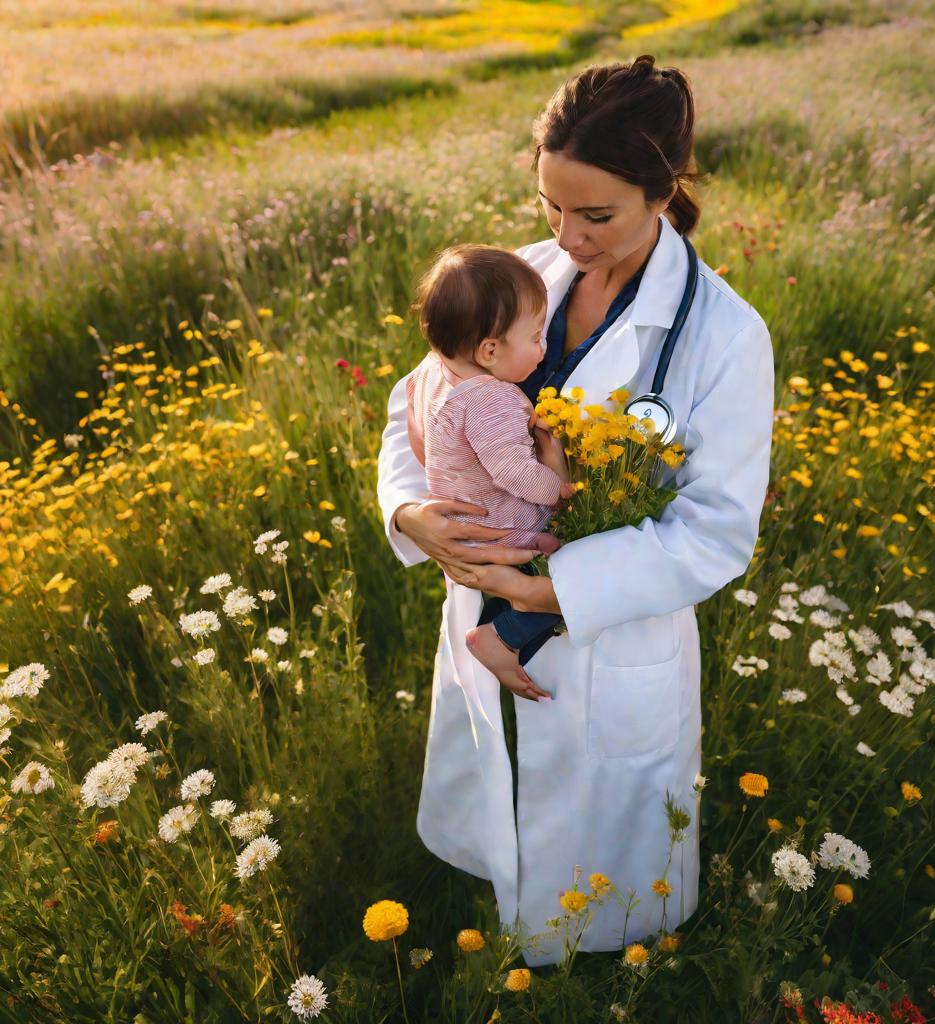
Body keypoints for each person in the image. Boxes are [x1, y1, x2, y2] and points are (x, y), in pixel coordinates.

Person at [377, 53, 775, 966]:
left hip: (603, 641)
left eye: (595, 214)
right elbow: (414, 406)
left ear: (663, 190)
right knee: (502, 822)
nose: (568, 235)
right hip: (481, 599)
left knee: (601, 891)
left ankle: (593, 975)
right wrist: (410, 514)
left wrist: (549, 590)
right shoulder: (519, 274)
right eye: (551, 205)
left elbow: (713, 532)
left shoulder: (723, 335)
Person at [403, 243, 576, 690]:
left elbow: (420, 442)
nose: (542, 349)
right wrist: (557, 484)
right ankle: (499, 638)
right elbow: (514, 473)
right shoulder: (490, 397)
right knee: (567, 576)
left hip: (464, 523)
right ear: (489, 350)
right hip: (502, 529)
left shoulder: (433, 375)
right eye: (537, 337)